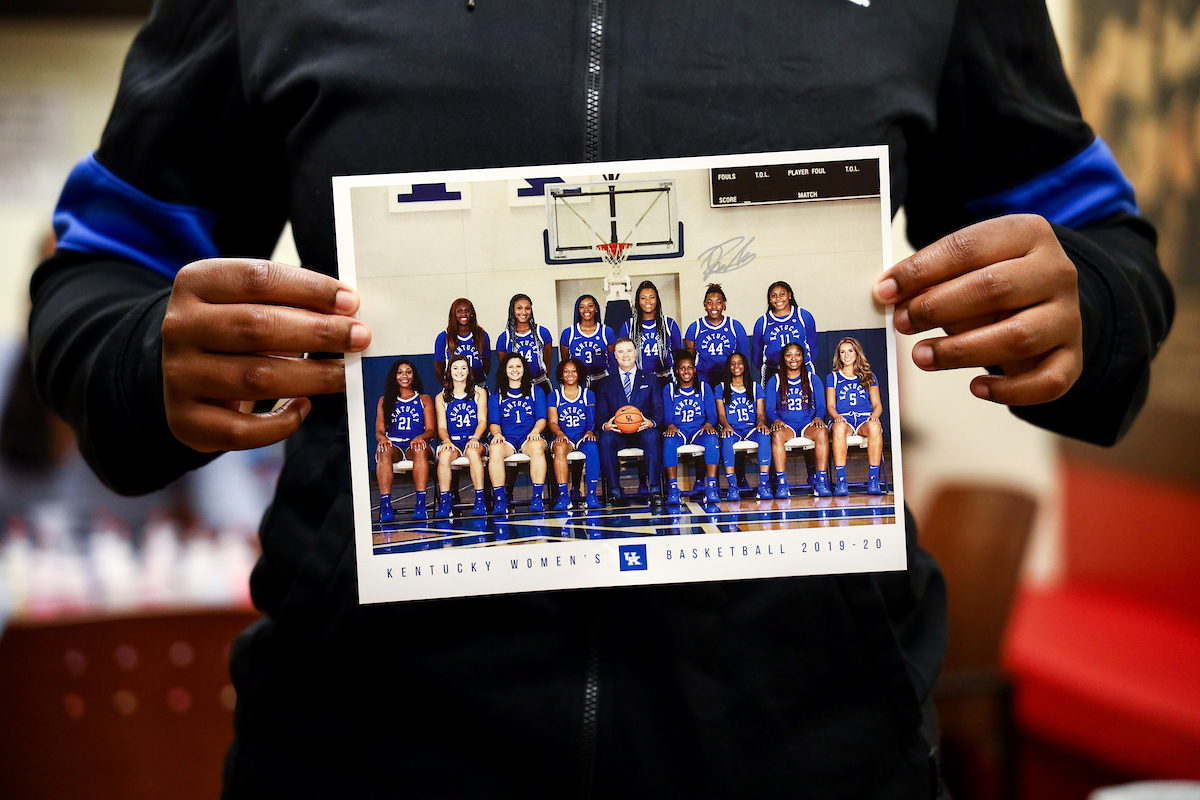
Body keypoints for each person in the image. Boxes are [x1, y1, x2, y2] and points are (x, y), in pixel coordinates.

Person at [28, 1, 1175, 795]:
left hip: (812, 755)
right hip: (365, 752)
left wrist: (1089, 305)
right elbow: (96, 277)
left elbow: (1110, 254)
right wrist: (144, 355)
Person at [595, 337, 665, 511]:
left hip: (643, 430)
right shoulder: (605, 382)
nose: (625, 355)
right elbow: (600, 414)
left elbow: (659, 410)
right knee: (605, 439)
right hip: (618, 432)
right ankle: (614, 491)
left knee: (653, 436)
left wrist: (651, 422)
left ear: (635, 353)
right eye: (620, 352)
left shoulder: (650, 379)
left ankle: (655, 490)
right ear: (615, 357)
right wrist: (606, 425)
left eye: (628, 351)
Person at [765, 342, 831, 499]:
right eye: (789, 355)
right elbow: (769, 409)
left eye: (797, 354)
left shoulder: (812, 379)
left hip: (808, 423)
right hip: (786, 425)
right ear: (783, 358)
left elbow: (821, 405)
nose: (793, 358)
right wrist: (775, 420)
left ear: (803, 357)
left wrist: (818, 417)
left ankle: (821, 481)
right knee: (777, 435)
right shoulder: (775, 380)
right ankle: (782, 484)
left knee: (822, 432)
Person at [486, 353, 548, 514]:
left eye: (518, 366)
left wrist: (535, 431)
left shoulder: (536, 390)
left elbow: (542, 418)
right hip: (508, 439)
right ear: (504, 370)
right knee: (495, 450)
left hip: (529, 436)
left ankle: (537, 497)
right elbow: (493, 422)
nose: (515, 370)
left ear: (524, 369)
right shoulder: (497, 394)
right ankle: (500, 500)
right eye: (511, 366)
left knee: (536, 448)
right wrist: (497, 434)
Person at [374, 359, 434, 522]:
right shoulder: (384, 400)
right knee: (383, 450)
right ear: (394, 376)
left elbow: (431, 430)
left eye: (408, 372)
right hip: (395, 444)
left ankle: (420, 505)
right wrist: (383, 439)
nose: (404, 375)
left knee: (420, 449)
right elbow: (379, 431)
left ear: (413, 376)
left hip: (416, 443)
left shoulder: (424, 399)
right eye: (400, 372)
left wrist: (420, 437)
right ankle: (386, 506)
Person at [661, 351, 721, 506]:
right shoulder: (668, 389)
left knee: (712, 438)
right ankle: (673, 489)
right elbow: (668, 416)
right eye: (682, 368)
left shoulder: (703, 387)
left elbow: (712, 414)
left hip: (698, 429)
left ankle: (711, 487)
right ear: (676, 371)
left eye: (689, 368)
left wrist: (709, 424)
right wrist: (671, 425)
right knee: (668, 442)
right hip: (679, 430)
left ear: (695, 370)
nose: (686, 371)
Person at [827, 337, 885, 496]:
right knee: (838, 429)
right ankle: (841, 482)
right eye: (842, 352)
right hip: (843, 418)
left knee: (875, 427)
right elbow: (830, 405)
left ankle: (873, 480)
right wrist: (836, 416)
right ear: (838, 355)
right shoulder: (832, 377)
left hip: (864, 418)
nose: (846, 355)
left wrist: (875, 416)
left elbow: (877, 405)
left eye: (850, 351)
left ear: (857, 352)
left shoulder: (869, 375)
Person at [434, 354, 488, 518]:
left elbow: (482, 421)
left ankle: (480, 500)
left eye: (463, 368)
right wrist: (446, 440)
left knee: (472, 452)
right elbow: (442, 427)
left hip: (474, 439)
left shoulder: (479, 392)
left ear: (469, 371)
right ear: (449, 371)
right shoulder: (441, 397)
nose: (459, 371)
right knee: (444, 455)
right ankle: (445, 503)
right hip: (454, 442)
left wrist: (475, 438)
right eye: (455, 368)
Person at [715, 352, 773, 502]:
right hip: (732, 428)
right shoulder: (720, 388)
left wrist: (761, 423)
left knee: (765, 435)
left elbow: (760, 414)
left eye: (739, 362)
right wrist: (726, 426)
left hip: (750, 428)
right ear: (728, 367)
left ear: (745, 365)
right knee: (726, 439)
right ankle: (733, 486)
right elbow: (721, 415)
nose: (736, 366)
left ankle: (763, 484)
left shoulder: (755, 387)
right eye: (733, 363)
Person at [546, 357, 601, 511]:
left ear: (579, 374)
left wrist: (590, 431)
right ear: (561, 375)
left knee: (592, 447)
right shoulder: (554, 395)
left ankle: (591, 494)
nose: (570, 374)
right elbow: (552, 422)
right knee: (559, 448)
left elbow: (591, 419)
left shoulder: (588, 394)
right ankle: (564, 496)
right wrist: (559, 433)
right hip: (565, 436)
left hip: (582, 435)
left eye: (574, 371)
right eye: (566, 371)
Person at [751, 281, 819, 384]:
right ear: (769, 299)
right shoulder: (763, 322)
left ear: (789, 295)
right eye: (774, 295)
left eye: (782, 294)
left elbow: (813, 347)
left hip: (801, 370)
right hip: (773, 371)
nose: (778, 298)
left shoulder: (803, 316)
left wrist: (798, 365)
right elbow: (756, 355)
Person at [684, 283, 749, 389]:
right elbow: (688, 360)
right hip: (703, 378)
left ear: (724, 304)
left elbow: (743, 358)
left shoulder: (735, 326)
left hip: (728, 377)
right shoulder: (695, 327)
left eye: (718, 302)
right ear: (704, 304)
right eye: (710, 303)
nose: (714, 306)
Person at [618, 280, 682, 384]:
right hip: (639, 380)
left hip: (666, 378)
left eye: (652, 297)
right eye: (643, 298)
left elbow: (678, 354)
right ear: (638, 301)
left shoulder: (669, 324)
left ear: (657, 299)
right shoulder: (628, 326)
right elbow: (621, 357)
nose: (648, 301)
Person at [495, 293, 555, 392]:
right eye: (519, 308)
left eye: (527, 308)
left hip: (540, 383)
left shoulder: (542, 332)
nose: (524, 312)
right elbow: (504, 366)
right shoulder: (504, 338)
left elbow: (547, 362)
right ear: (512, 310)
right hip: (516, 386)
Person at [559, 294, 616, 388]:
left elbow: (612, 360)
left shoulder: (606, 331)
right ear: (578, 310)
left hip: (601, 380)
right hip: (578, 382)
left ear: (596, 309)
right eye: (582, 307)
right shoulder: (568, 333)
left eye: (590, 306)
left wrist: (611, 380)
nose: (586, 309)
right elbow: (565, 362)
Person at [434, 297, 490, 386]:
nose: (463, 314)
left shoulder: (481, 335)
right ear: (453, 314)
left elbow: (487, 365)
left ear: (472, 313)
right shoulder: (443, 337)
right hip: (454, 388)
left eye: (467, 310)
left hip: (478, 386)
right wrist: (449, 387)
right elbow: (438, 369)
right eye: (459, 311)